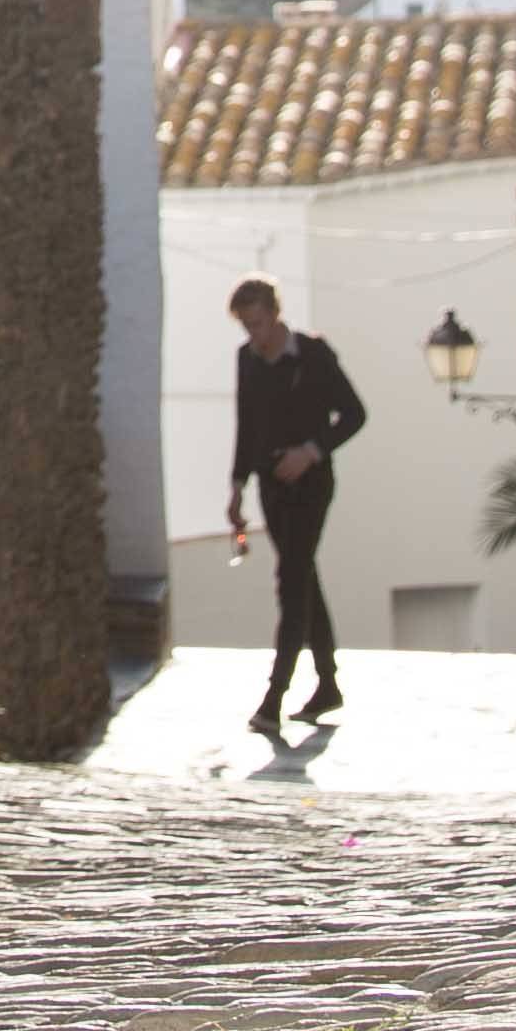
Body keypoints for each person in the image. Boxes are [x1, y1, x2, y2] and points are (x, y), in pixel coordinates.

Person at [222, 275, 366, 738]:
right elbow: (246, 424)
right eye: (246, 326)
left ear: (275, 314)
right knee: (302, 576)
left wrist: (311, 451)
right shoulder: (247, 360)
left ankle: (274, 698)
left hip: (311, 483)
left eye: (259, 323)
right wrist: (237, 486)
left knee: (292, 580)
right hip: (271, 485)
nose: (254, 335)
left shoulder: (313, 355)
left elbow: (354, 414)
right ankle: (327, 683)